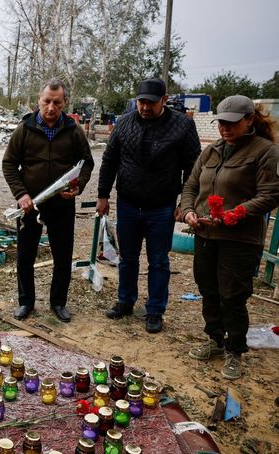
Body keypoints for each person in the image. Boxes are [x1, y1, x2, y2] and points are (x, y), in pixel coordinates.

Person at [181, 95, 279, 380]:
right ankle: (214, 339)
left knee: (232, 295)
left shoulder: (265, 152)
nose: (225, 128)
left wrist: (238, 212)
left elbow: (271, 194)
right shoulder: (212, 151)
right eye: (222, 122)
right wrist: (188, 211)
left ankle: (234, 349)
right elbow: (191, 186)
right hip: (206, 233)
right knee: (208, 288)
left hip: (240, 240)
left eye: (232, 123)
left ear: (250, 120)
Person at [96, 78, 201, 333]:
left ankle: (155, 310)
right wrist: (103, 195)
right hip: (128, 204)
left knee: (158, 261)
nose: (145, 107)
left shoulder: (182, 126)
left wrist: (184, 204)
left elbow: (194, 168)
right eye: (141, 102)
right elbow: (109, 161)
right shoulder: (124, 123)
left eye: (151, 103)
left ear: (164, 100)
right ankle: (125, 301)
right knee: (128, 258)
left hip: (162, 207)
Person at [2, 79, 94, 323]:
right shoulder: (25, 129)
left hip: (62, 204)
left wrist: (77, 186)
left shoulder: (73, 130)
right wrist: (21, 194)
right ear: (38, 101)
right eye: (47, 101)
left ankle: (58, 303)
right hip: (29, 205)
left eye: (57, 102)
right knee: (25, 256)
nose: (51, 107)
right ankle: (26, 302)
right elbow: (9, 164)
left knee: (63, 256)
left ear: (64, 103)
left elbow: (86, 164)